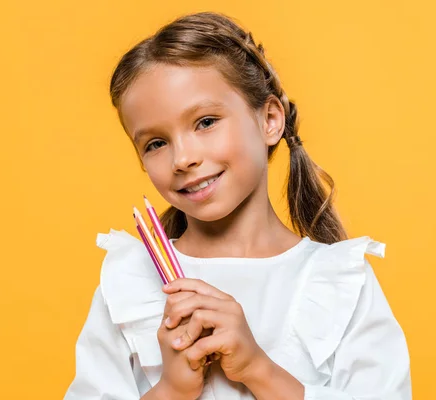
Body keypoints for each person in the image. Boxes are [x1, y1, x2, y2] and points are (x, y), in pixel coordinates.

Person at [64, 11, 411, 400]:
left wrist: (257, 369)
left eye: (206, 121)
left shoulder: (342, 283)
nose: (182, 158)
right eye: (156, 143)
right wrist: (173, 389)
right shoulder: (129, 282)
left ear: (270, 120)